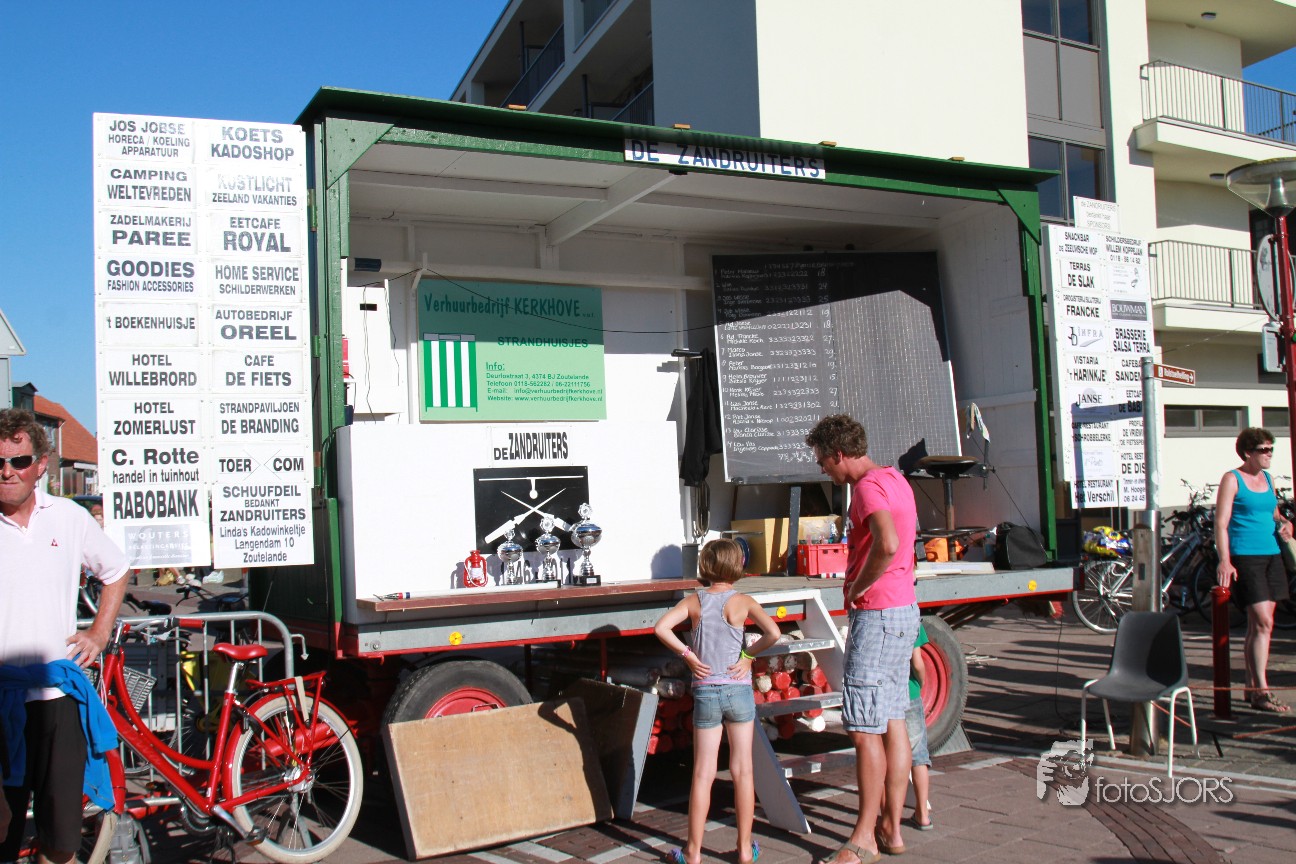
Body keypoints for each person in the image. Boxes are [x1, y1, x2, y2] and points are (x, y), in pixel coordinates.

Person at [0, 408, 129, 864]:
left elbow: (115, 570)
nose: (7, 471)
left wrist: (99, 631)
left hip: (57, 696)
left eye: (19, 461)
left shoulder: (69, 518)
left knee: (61, 840)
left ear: (40, 465)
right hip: (0, 698)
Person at [805, 414, 920, 864]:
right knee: (892, 719)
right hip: (903, 609)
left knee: (865, 729)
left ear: (839, 454)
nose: (822, 469)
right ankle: (892, 828)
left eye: (822, 460)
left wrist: (858, 585)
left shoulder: (867, 488)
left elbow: (887, 543)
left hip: (877, 613)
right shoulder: (895, 479)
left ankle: (863, 839)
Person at [654, 538, 781, 864]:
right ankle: (745, 849)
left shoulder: (694, 601)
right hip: (738, 691)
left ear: (706, 566)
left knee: (702, 774)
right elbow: (774, 633)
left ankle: (693, 852)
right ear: (737, 565)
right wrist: (747, 655)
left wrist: (688, 655)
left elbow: (662, 628)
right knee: (743, 770)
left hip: (707, 691)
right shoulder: (743, 601)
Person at [1214, 427, 1292, 713]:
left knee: (1260, 625)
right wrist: (1225, 560)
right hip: (1246, 556)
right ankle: (1262, 690)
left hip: (1272, 554)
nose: (1269, 454)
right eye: (1264, 450)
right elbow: (1221, 522)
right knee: (1263, 622)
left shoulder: (1268, 479)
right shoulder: (1232, 479)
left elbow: (1273, 514)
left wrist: (1286, 524)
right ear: (1248, 453)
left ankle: (1251, 687)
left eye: (1271, 449)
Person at [903, 626, 933, 831]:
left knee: (888, 755)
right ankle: (922, 813)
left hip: (886, 693)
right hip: (910, 692)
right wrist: (920, 684)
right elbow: (917, 663)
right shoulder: (912, 621)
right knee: (919, 756)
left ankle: (888, 814)